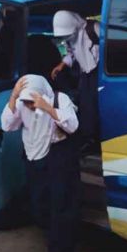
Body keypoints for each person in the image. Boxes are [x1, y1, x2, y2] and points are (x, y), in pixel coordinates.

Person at [1, 74, 83, 252]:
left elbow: (73, 126)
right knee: (40, 210)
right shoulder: (20, 103)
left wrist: (47, 107)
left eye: (30, 100)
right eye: (25, 101)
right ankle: (63, 241)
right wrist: (15, 95)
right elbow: (7, 124)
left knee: (61, 213)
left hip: (59, 162)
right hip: (35, 161)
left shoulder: (59, 99)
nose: (28, 105)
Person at [50, 10, 100, 153]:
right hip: (86, 74)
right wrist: (61, 65)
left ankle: (96, 139)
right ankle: (89, 140)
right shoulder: (70, 37)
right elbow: (71, 54)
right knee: (86, 107)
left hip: (99, 73)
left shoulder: (93, 28)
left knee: (97, 106)